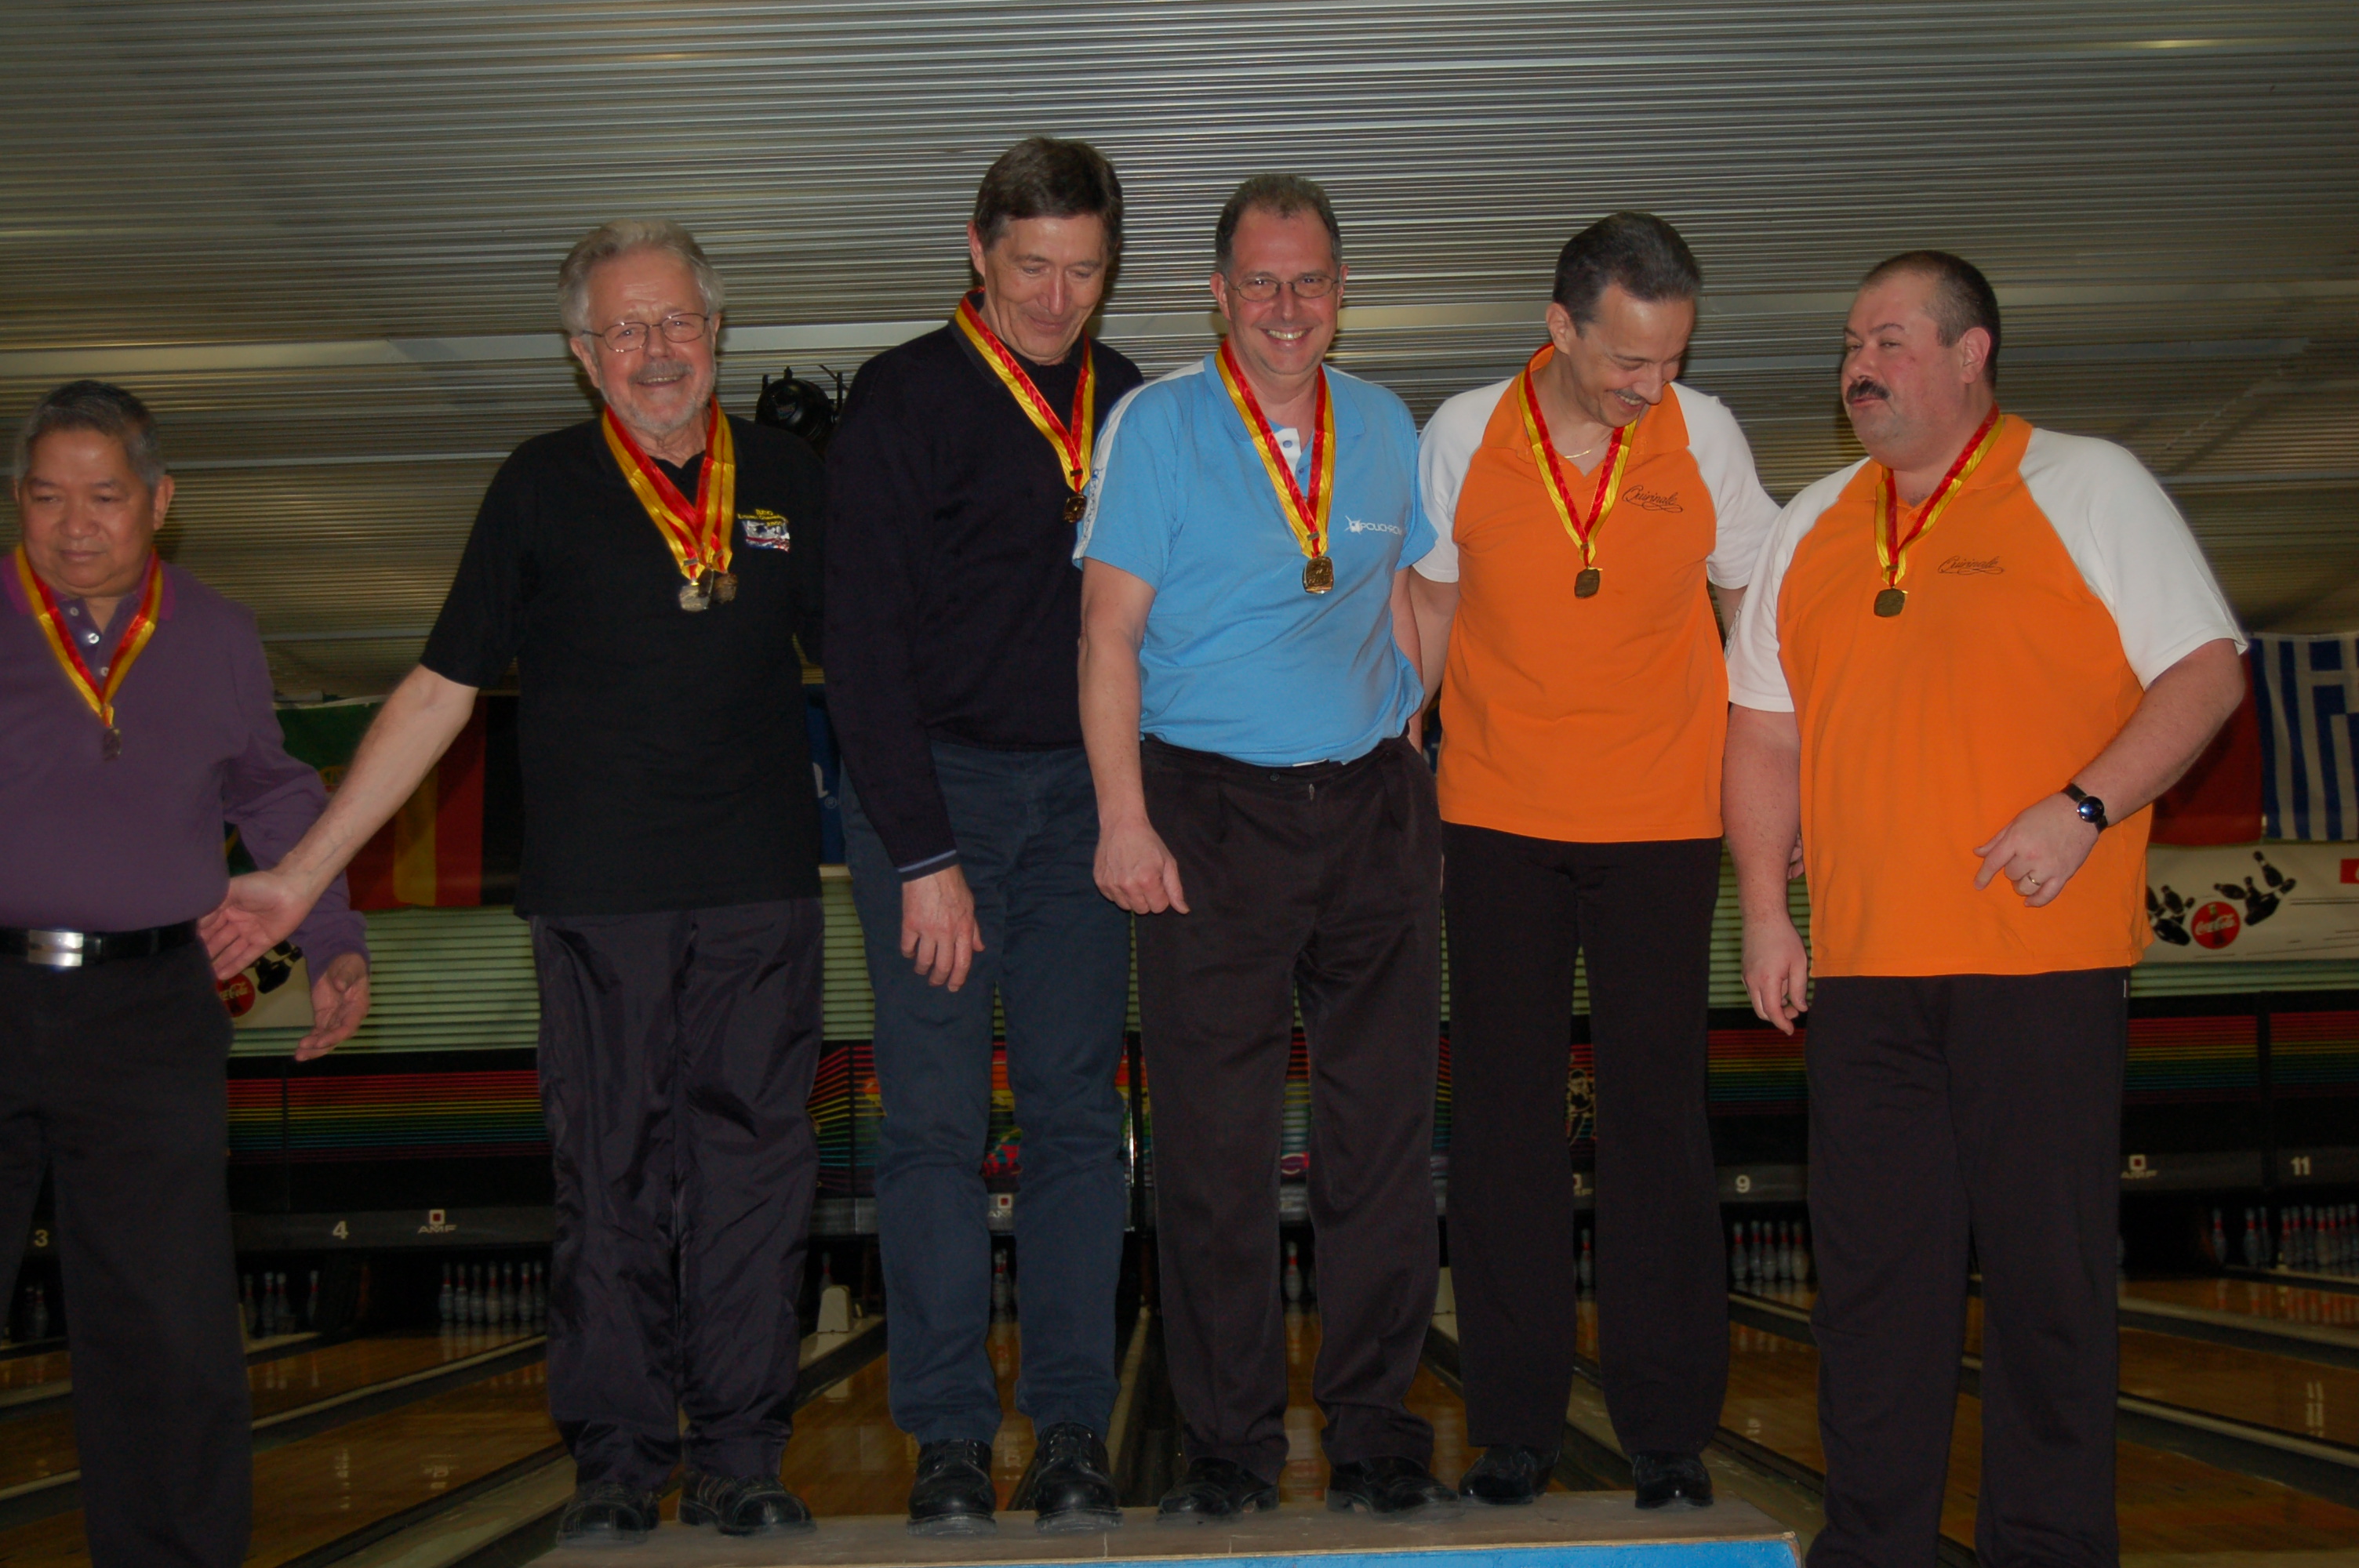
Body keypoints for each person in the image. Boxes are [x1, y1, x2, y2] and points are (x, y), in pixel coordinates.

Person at [202, 220, 829, 1548]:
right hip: (596, 900)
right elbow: (440, 691)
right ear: (581, 355)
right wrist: (299, 873)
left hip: (759, 894)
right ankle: (616, 1463)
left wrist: (957, 845)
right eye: (625, 329)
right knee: (609, 1180)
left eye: (677, 321)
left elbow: (883, 672)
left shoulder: (788, 479)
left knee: (756, 1181)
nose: (656, 350)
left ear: (718, 332)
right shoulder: (538, 486)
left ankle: (741, 1455)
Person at [1722, 252, 2245, 1566]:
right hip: (1863, 974)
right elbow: (1764, 733)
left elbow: (2205, 673)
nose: (1860, 366)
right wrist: (1764, 911)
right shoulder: (1811, 524)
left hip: (2040, 965)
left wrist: (2084, 806)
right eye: (1852, 343)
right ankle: (1873, 1547)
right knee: (1871, 1293)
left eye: (1890, 340)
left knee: (2046, 1289)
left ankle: (2050, 1549)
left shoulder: (2087, 484)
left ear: (1972, 355)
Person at [1079, 172, 1455, 1523]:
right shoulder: (1160, 425)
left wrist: (1410, 732)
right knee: (1214, 1149)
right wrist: (1125, 817)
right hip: (1208, 813)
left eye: (1308, 283)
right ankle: (1228, 1447)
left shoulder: (1386, 424)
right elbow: (1107, 634)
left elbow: (1414, 592)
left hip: (1369, 812)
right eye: (1259, 283)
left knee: (1382, 1138)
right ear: (1218, 294)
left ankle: (1374, 1431)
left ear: (1340, 292)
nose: (1285, 308)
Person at [1408, 212, 1778, 1511]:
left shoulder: (1706, 436)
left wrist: (1778, 796)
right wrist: (1401, 778)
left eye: (1672, 359)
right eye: (1630, 360)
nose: (1652, 385)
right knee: (1504, 1124)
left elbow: (1754, 608)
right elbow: (1429, 612)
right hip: (1497, 820)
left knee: (1657, 1121)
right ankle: (1514, 1422)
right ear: (1560, 327)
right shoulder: (1464, 432)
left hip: (1665, 822)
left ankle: (1668, 1428)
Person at [823, 136, 1143, 1537]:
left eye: (1084, 271)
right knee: (936, 1130)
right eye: (1032, 268)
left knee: (1078, 1121)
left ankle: (1073, 1427)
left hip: (1085, 801)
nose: (1057, 300)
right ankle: (949, 1436)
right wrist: (922, 856)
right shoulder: (902, 397)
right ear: (977, 249)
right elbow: (859, 651)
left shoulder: (1137, 401)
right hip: (936, 796)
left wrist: (1136, 808)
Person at [2, 381, 370, 1568]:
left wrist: (334, 938)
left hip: (150, 1010)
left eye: (104, 497)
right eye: (46, 498)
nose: (74, 525)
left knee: (165, 1327)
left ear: (159, 502)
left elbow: (273, 791)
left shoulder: (215, 631)